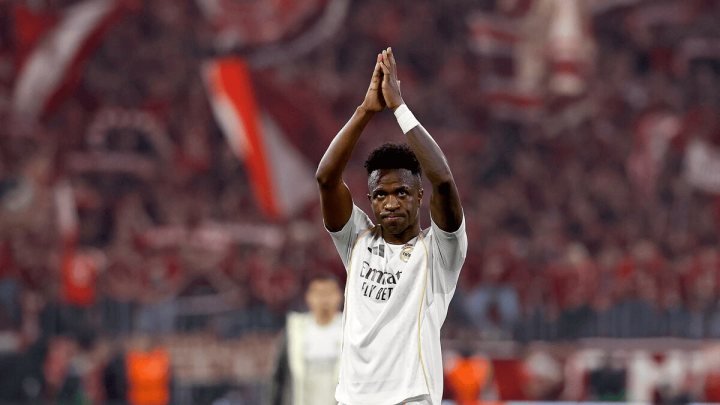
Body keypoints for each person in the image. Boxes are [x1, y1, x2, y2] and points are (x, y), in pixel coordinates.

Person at [316, 47, 467, 405]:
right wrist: (365, 110)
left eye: (401, 192)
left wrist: (399, 107)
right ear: (370, 200)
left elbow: (443, 180)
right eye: (381, 195)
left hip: (410, 398)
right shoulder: (356, 239)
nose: (391, 203)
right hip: (351, 399)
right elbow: (326, 179)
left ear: (419, 195)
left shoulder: (440, 251)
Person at [267, 272, 344, 405]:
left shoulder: (350, 331)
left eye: (329, 293)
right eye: (319, 293)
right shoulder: (294, 331)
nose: (324, 300)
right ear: (309, 297)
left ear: (340, 296)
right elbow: (278, 378)